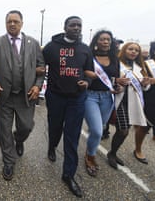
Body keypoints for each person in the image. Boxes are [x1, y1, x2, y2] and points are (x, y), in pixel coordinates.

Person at [0, 10, 45, 181]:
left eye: (16, 21)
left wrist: (37, 86)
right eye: (9, 22)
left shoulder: (33, 43)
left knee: (26, 127)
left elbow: (41, 68)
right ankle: (9, 162)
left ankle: (19, 140)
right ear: (5, 23)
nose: (12, 24)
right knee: (4, 131)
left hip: (26, 96)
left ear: (22, 23)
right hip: (5, 96)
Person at [42, 16, 93, 198]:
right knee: (55, 128)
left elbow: (89, 73)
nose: (77, 28)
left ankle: (68, 175)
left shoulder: (85, 49)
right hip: (55, 96)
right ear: (65, 27)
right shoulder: (51, 47)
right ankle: (51, 146)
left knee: (72, 137)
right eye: (73, 25)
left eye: (79, 25)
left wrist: (86, 82)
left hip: (77, 99)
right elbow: (40, 66)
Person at [107, 42, 150, 169]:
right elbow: (107, 79)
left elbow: (144, 88)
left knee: (123, 131)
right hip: (119, 101)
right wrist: (116, 81)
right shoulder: (115, 63)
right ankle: (112, 154)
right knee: (124, 131)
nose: (133, 52)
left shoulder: (139, 67)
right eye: (130, 49)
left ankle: (113, 153)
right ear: (124, 50)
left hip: (133, 104)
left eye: (136, 50)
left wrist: (145, 84)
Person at [83, 30, 120, 177]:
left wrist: (119, 85)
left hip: (107, 97)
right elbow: (82, 71)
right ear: (96, 41)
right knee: (98, 131)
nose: (106, 42)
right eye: (103, 39)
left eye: (108, 40)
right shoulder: (89, 56)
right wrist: (87, 75)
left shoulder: (114, 58)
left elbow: (116, 78)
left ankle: (90, 146)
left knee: (99, 127)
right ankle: (90, 156)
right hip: (90, 96)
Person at [102, 38, 125, 140]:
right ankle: (103, 130)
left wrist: (117, 84)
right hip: (101, 90)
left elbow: (116, 75)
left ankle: (105, 129)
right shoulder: (103, 57)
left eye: (118, 45)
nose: (117, 46)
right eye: (116, 44)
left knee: (109, 113)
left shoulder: (118, 58)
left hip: (114, 90)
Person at [143, 41, 155, 143]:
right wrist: (148, 81)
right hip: (151, 97)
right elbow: (142, 80)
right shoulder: (147, 64)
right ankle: (138, 148)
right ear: (154, 50)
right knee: (145, 126)